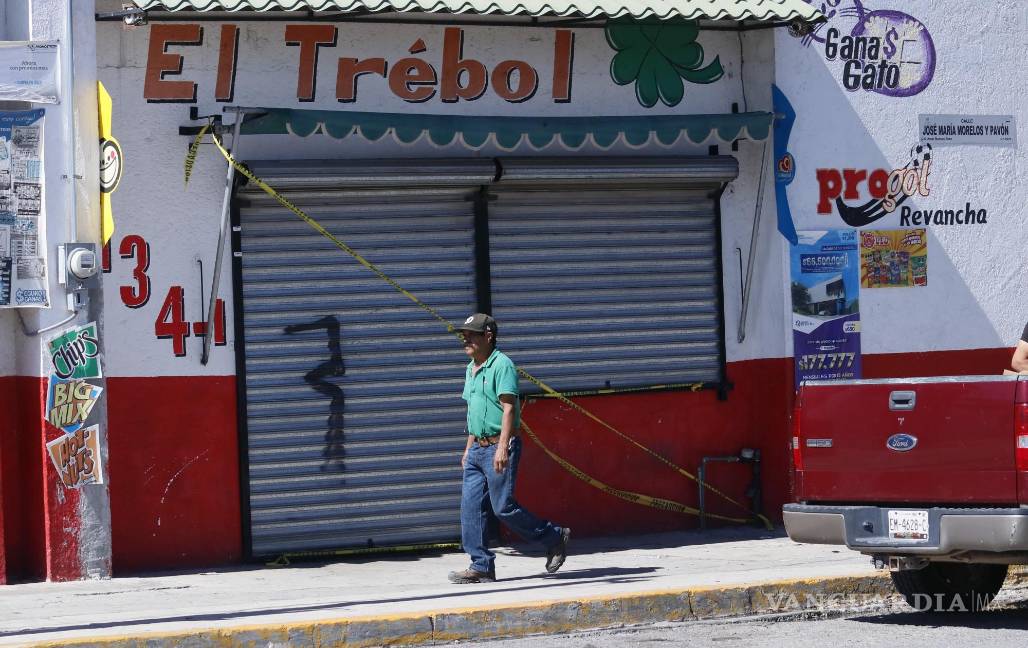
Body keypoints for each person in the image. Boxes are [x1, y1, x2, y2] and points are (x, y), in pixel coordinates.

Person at [447, 313, 570, 584]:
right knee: (470, 509)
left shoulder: (502, 365)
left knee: (502, 507)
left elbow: (509, 408)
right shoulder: (472, 367)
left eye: (471, 334)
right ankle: (480, 565)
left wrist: (502, 447)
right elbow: (474, 412)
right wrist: (468, 448)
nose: (465, 338)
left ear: (488, 336)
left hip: (498, 446)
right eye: (464, 334)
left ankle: (554, 536)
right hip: (478, 448)